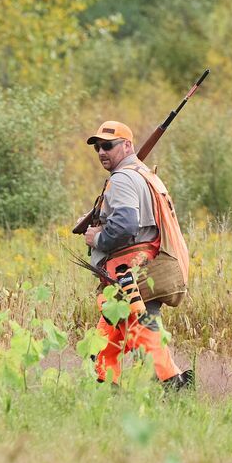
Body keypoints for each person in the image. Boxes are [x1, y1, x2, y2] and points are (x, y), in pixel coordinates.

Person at [80, 121, 194, 393]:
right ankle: (110, 391)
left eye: (108, 145)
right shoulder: (144, 174)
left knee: (139, 332)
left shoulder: (122, 178)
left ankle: (173, 384)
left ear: (128, 145)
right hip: (145, 269)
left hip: (126, 273)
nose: (101, 152)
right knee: (113, 337)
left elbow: (126, 224)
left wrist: (96, 238)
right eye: (98, 147)